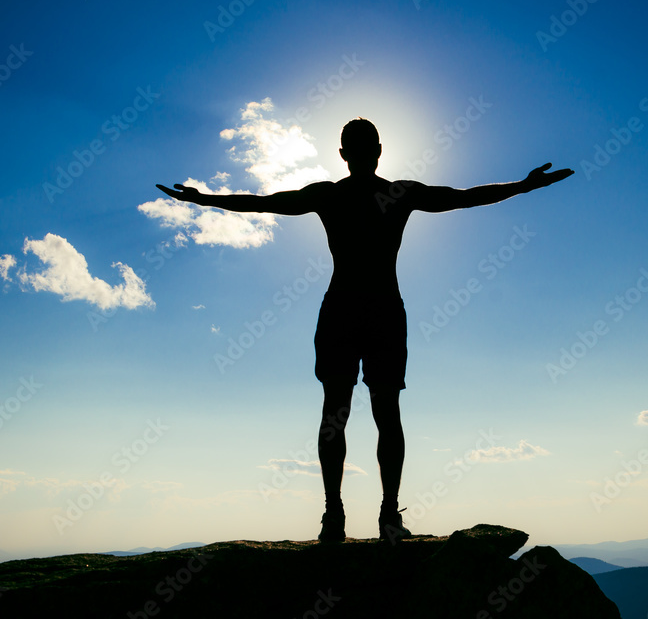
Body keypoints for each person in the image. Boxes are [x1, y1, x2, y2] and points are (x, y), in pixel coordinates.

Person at [156, 118, 573, 543]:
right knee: (385, 414)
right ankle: (386, 514)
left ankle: (334, 514)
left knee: (335, 412)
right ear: (378, 150)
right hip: (382, 309)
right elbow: (464, 198)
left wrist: (205, 199)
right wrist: (522, 186)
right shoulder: (398, 193)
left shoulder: (330, 195)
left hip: (342, 309)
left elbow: (263, 202)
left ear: (343, 154)